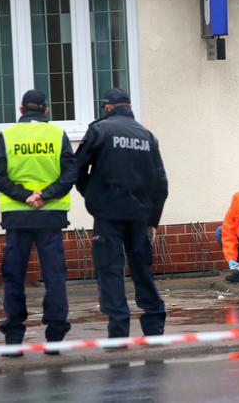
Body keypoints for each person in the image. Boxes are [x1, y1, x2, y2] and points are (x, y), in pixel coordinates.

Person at [75, 88, 168, 340]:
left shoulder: (99, 130)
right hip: (139, 216)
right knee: (142, 269)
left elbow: (77, 169)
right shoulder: (147, 136)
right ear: (129, 106)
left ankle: (118, 331)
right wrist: (153, 221)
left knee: (110, 270)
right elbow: (160, 183)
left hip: (108, 215)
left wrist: (92, 196)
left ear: (107, 108)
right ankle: (154, 326)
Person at [0, 89, 76, 357]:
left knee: (14, 277)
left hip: (18, 216)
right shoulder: (57, 135)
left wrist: (24, 196)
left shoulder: (8, 136)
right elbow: (71, 172)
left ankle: (14, 340)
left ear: (21, 109)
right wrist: (45, 195)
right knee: (54, 277)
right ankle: (55, 339)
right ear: (46, 110)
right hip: (50, 216)